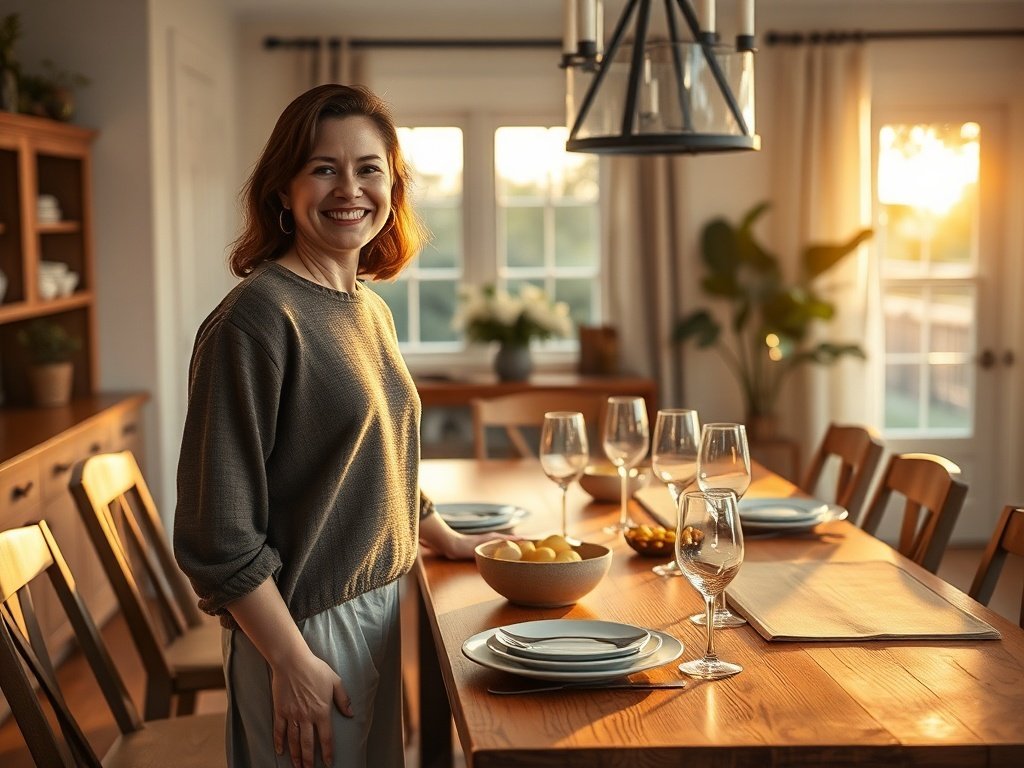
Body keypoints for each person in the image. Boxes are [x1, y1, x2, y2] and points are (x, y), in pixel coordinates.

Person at [174, 84, 506, 768]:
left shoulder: (365, 307)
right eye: (324, 167)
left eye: (368, 168)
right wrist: (291, 661)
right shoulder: (255, 321)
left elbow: (380, 450)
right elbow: (217, 537)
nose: (349, 188)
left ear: (393, 186)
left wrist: (435, 529)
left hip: (380, 602)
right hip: (303, 626)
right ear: (282, 190)